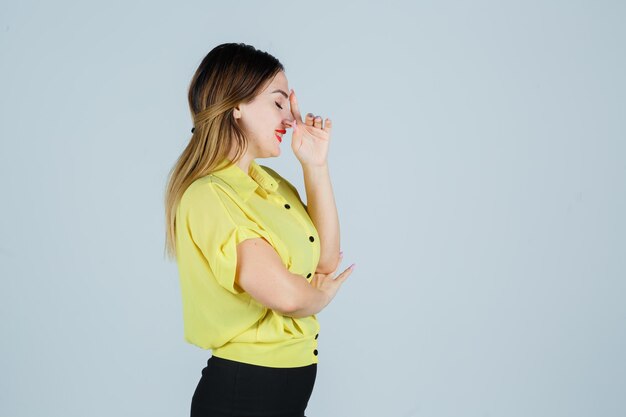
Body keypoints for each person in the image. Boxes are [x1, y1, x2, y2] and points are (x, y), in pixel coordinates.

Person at [163, 42, 356, 417]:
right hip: (243, 394)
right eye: (277, 102)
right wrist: (320, 299)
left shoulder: (269, 183)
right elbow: (287, 295)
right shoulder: (210, 195)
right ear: (237, 106)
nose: (289, 118)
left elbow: (326, 258)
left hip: (281, 393)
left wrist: (315, 166)